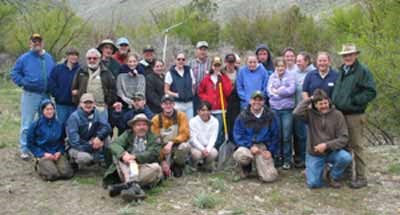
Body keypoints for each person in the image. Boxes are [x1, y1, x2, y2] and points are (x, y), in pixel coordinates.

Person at [331, 44, 377, 189]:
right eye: (345, 55)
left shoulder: (363, 71)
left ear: (356, 55)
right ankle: (348, 174)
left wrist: (353, 101)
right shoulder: (342, 70)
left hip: (355, 115)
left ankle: (362, 177)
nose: (348, 57)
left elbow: (371, 92)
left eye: (350, 54)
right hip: (341, 114)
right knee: (344, 145)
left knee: (357, 146)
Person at [293, 89, 352, 188]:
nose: (324, 106)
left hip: (332, 151)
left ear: (329, 102)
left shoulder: (337, 115)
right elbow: (296, 113)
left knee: (346, 157)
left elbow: (344, 138)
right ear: (315, 105)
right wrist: (310, 99)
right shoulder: (310, 114)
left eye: (325, 103)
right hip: (315, 153)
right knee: (313, 184)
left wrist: (326, 145)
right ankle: (317, 169)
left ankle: (332, 175)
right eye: (320, 104)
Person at [11, 33, 56, 160]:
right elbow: (14, 73)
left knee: (46, 122)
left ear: (42, 43)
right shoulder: (24, 58)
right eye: (34, 41)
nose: (37, 43)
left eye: (39, 41)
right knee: (27, 123)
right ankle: (24, 149)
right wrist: (24, 82)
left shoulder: (48, 57)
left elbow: (53, 74)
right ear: (30, 43)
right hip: (30, 94)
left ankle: (42, 147)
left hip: (46, 95)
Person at [103, 114, 163, 202]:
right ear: (133, 127)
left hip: (144, 168)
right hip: (126, 168)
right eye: (138, 125)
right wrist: (123, 154)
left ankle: (127, 185)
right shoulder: (127, 134)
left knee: (156, 168)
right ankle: (134, 187)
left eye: (144, 125)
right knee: (119, 155)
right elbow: (114, 145)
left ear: (148, 126)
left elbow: (153, 153)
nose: (141, 127)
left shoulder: (155, 138)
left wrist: (135, 157)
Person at [233, 91, 279, 182]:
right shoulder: (242, 116)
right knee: (240, 155)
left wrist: (270, 151)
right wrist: (250, 146)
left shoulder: (271, 115)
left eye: (260, 100)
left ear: (264, 102)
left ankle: (261, 169)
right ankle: (245, 168)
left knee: (270, 178)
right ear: (250, 101)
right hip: (247, 146)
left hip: (263, 147)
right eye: (254, 99)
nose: (257, 102)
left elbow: (275, 135)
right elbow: (237, 135)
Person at [27, 100, 73, 181]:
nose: (50, 111)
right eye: (47, 109)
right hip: (43, 154)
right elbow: (30, 144)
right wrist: (42, 154)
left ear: (54, 110)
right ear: (42, 111)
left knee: (67, 173)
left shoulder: (59, 124)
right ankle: (39, 165)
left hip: (56, 153)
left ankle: (56, 165)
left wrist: (60, 151)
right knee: (53, 175)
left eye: (51, 109)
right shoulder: (35, 125)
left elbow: (62, 141)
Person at [71, 48, 121, 122]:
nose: (92, 60)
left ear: (99, 59)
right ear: (86, 59)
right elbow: (74, 89)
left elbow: (113, 89)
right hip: (84, 107)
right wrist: (77, 101)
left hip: (101, 108)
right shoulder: (81, 72)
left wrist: (108, 102)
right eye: (89, 58)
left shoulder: (106, 72)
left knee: (102, 130)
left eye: (94, 58)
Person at [66, 93, 112, 169]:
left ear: (94, 104)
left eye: (90, 103)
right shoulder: (74, 117)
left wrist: (98, 138)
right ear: (80, 104)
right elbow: (75, 142)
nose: (88, 105)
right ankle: (72, 160)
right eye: (85, 103)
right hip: (76, 147)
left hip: (91, 142)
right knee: (86, 158)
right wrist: (91, 145)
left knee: (107, 138)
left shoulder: (97, 113)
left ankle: (108, 164)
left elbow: (107, 127)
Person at [151, 95, 191, 178]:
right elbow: (154, 140)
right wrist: (162, 160)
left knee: (185, 146)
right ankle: (167, 165)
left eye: (170, 103)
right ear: (161, 105)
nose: (168, 106)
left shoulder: (181, 115)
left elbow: (185, 134)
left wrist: (172, 142)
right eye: (165, 104)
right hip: (163, 148)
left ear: (174, 105)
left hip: (177, 145)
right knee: (163, 175)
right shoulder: (156, 119)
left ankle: (178, 165)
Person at [267, 57, 296, 169]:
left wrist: (278, 91)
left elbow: (291, 90)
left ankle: (287, 159)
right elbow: (269, 91)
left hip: (287, 110)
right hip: (274, 109)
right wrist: (282, 91)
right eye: (278, 66)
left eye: (282, 66)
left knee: (286, 136)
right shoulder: (272, 77)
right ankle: (278, 157)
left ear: (285, 66)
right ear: (275, 67)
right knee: (277, 135)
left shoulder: (290, 76)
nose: (280, 68)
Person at [198, 56, 233, 148]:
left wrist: (222, 80)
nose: (217, 67)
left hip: (220, 110)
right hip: (209, 110)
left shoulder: (225, 78)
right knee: (207, 130)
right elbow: (200, 92)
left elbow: (228, 92)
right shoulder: (206, 79)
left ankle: (217, 149)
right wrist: (207, 100)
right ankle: (207, 148)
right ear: (212, 66)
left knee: (217, 131)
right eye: (215, 65)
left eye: (219, 65)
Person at [292, 51, 316, 168]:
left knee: (308, 136)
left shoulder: (313, 73)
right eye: (297, 61)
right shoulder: (295, 73)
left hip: (310, 110)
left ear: (307, 61)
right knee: (299, 135)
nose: (297, 63)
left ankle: (309, 159)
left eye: (300, 61)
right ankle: (300, 158)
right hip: (297, 109)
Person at [48, 48, 80, 127]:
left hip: (75, 104)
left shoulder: (81, 70)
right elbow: (51, 84)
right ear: (67, 56)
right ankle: (61, 139)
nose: (74, 57)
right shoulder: (58, 69)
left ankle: (72, 140)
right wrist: (58, 94)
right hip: (61, 104)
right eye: (72, 55)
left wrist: (78, 93)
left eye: (76, 55)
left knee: (74, 125)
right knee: (61, 125)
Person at [189, 101, 219, 172]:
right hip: (196, 147)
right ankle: (193, 165)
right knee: (196, 154)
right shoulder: (192, 121)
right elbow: (193, 139)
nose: (205, 112)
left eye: (208, 110)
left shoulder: (215, 121)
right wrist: (202, 149)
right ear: (198, 111)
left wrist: (207, 149)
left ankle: (206, 165)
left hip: (208, 146)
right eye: (203, 110)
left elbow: (213, 138)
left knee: (214, 152)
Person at [164, 52, 195, 119]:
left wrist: (190, 93)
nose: (181, 61)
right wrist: (176, 94)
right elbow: (166, 90)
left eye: (183, 59)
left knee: (189, 126)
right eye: (179, 59)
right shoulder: (170, 73)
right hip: (177, 104)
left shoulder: (189, 71)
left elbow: (193, 85)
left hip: (189, 104)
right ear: (175, 60)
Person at [189, 41, 211, 113]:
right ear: (197, 50)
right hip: (193, 94)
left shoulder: (211, 63)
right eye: (200, 49)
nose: (202, 51)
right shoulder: (191, 63)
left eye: (204, 49)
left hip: (206, 95)